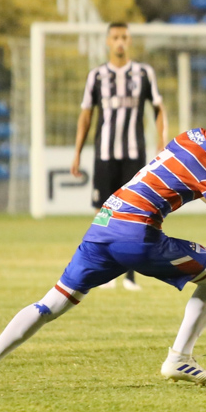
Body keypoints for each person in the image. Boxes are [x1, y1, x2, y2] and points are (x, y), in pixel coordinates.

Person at [0, 99, 206, 390]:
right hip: (137, 234)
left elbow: (194, 187)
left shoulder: (189, 137)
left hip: (104, 225)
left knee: (53, 302)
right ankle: (180, 357)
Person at [71, 22, 168, 290]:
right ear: (107, 41)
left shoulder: (143, 73)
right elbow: (86, 115)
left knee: (134, 212)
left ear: (130, 40)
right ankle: (102, 271)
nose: (120, 42)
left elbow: (159, 108)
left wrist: (162, 142)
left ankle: (129, 276)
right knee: (102, 212)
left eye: (124, 37)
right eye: (115, 37)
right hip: (104, 154)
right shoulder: (97, 76)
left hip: (134, 155)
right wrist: (77, 152)